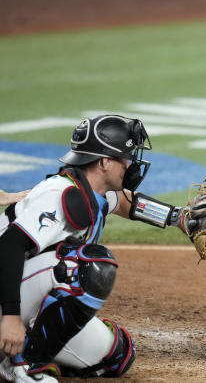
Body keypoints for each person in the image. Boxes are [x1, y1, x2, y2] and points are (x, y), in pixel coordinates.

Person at [0, 115, 188, 382]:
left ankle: (29, 343)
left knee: (118, 354)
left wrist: (179, 218)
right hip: (6, 298)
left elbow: (124, 203)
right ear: (105, 162)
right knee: (86, 267)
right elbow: (8, 246)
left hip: (23, 289)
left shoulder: (92, 192)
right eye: (126, 156)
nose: (131, 163)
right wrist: (10, 316)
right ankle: (25, 365)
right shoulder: (59, 193)